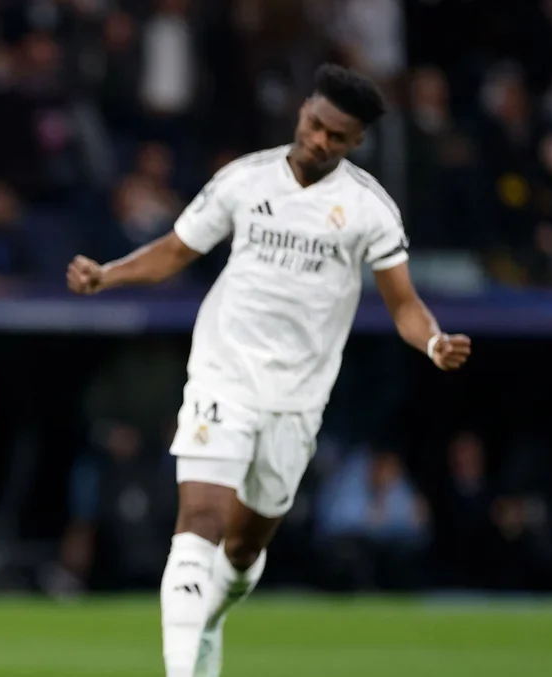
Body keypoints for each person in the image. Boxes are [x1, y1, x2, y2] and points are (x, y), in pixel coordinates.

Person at [65, 64, 471, 677]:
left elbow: (404, 304)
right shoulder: (245, 179)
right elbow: (177, 248)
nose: (317, 140)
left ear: (354, 142)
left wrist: (434, 341)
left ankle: (211, 622)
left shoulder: (368, 210)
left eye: (335, 136)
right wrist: (109, 273)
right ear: (303, 111)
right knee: (199, 521)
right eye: (313, 124)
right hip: (224, 373)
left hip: (297, 398)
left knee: (245, 547)